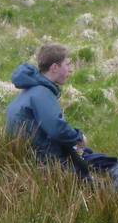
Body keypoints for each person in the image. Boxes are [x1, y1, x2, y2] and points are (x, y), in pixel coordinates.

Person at [5, 44, 89, 175]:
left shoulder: (30, 90)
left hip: (23, 160)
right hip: (40, 164)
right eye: (67, 65)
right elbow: (57, 129)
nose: (71, 70)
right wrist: (78, 139)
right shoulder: (41, 93)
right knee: (88, 170)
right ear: (54, 67)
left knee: (85, 157)